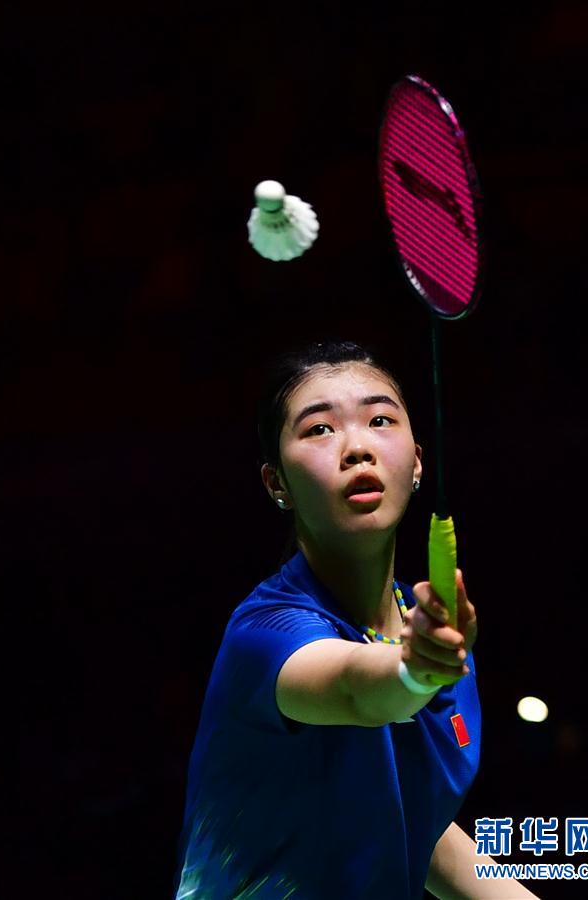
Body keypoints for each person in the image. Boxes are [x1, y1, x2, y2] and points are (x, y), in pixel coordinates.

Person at [172, 340, 537, 899]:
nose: (357, 448)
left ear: (417, 461)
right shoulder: (267, 633)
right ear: (276, 483)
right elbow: (356, 691)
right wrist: (417, 670)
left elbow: (414, 821)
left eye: (380, 419)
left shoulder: (424, 623)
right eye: (319, 429)